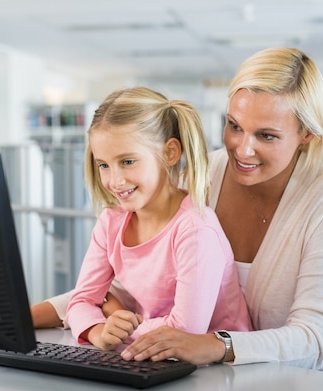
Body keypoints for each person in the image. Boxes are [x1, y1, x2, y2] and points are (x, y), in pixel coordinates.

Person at [119, 48, 323, 377]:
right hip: (223, 373)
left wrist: (217, 344)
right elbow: (134, 282)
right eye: (234, 126)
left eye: (266, 135)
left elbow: (314, 339)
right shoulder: (202, 174)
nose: (243, 148)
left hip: (318, 378)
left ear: (307, 134)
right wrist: (37, 314)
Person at [64, 86, 252, 351]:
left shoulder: (196, 230)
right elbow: (81, 300)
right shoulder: (111, 222)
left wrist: (122, 324)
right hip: (153, 355)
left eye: (128, 161)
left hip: (218, 369)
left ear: (170, 153)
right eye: (104, 165)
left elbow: (184, 330)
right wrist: (98, 330)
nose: (114, 181)